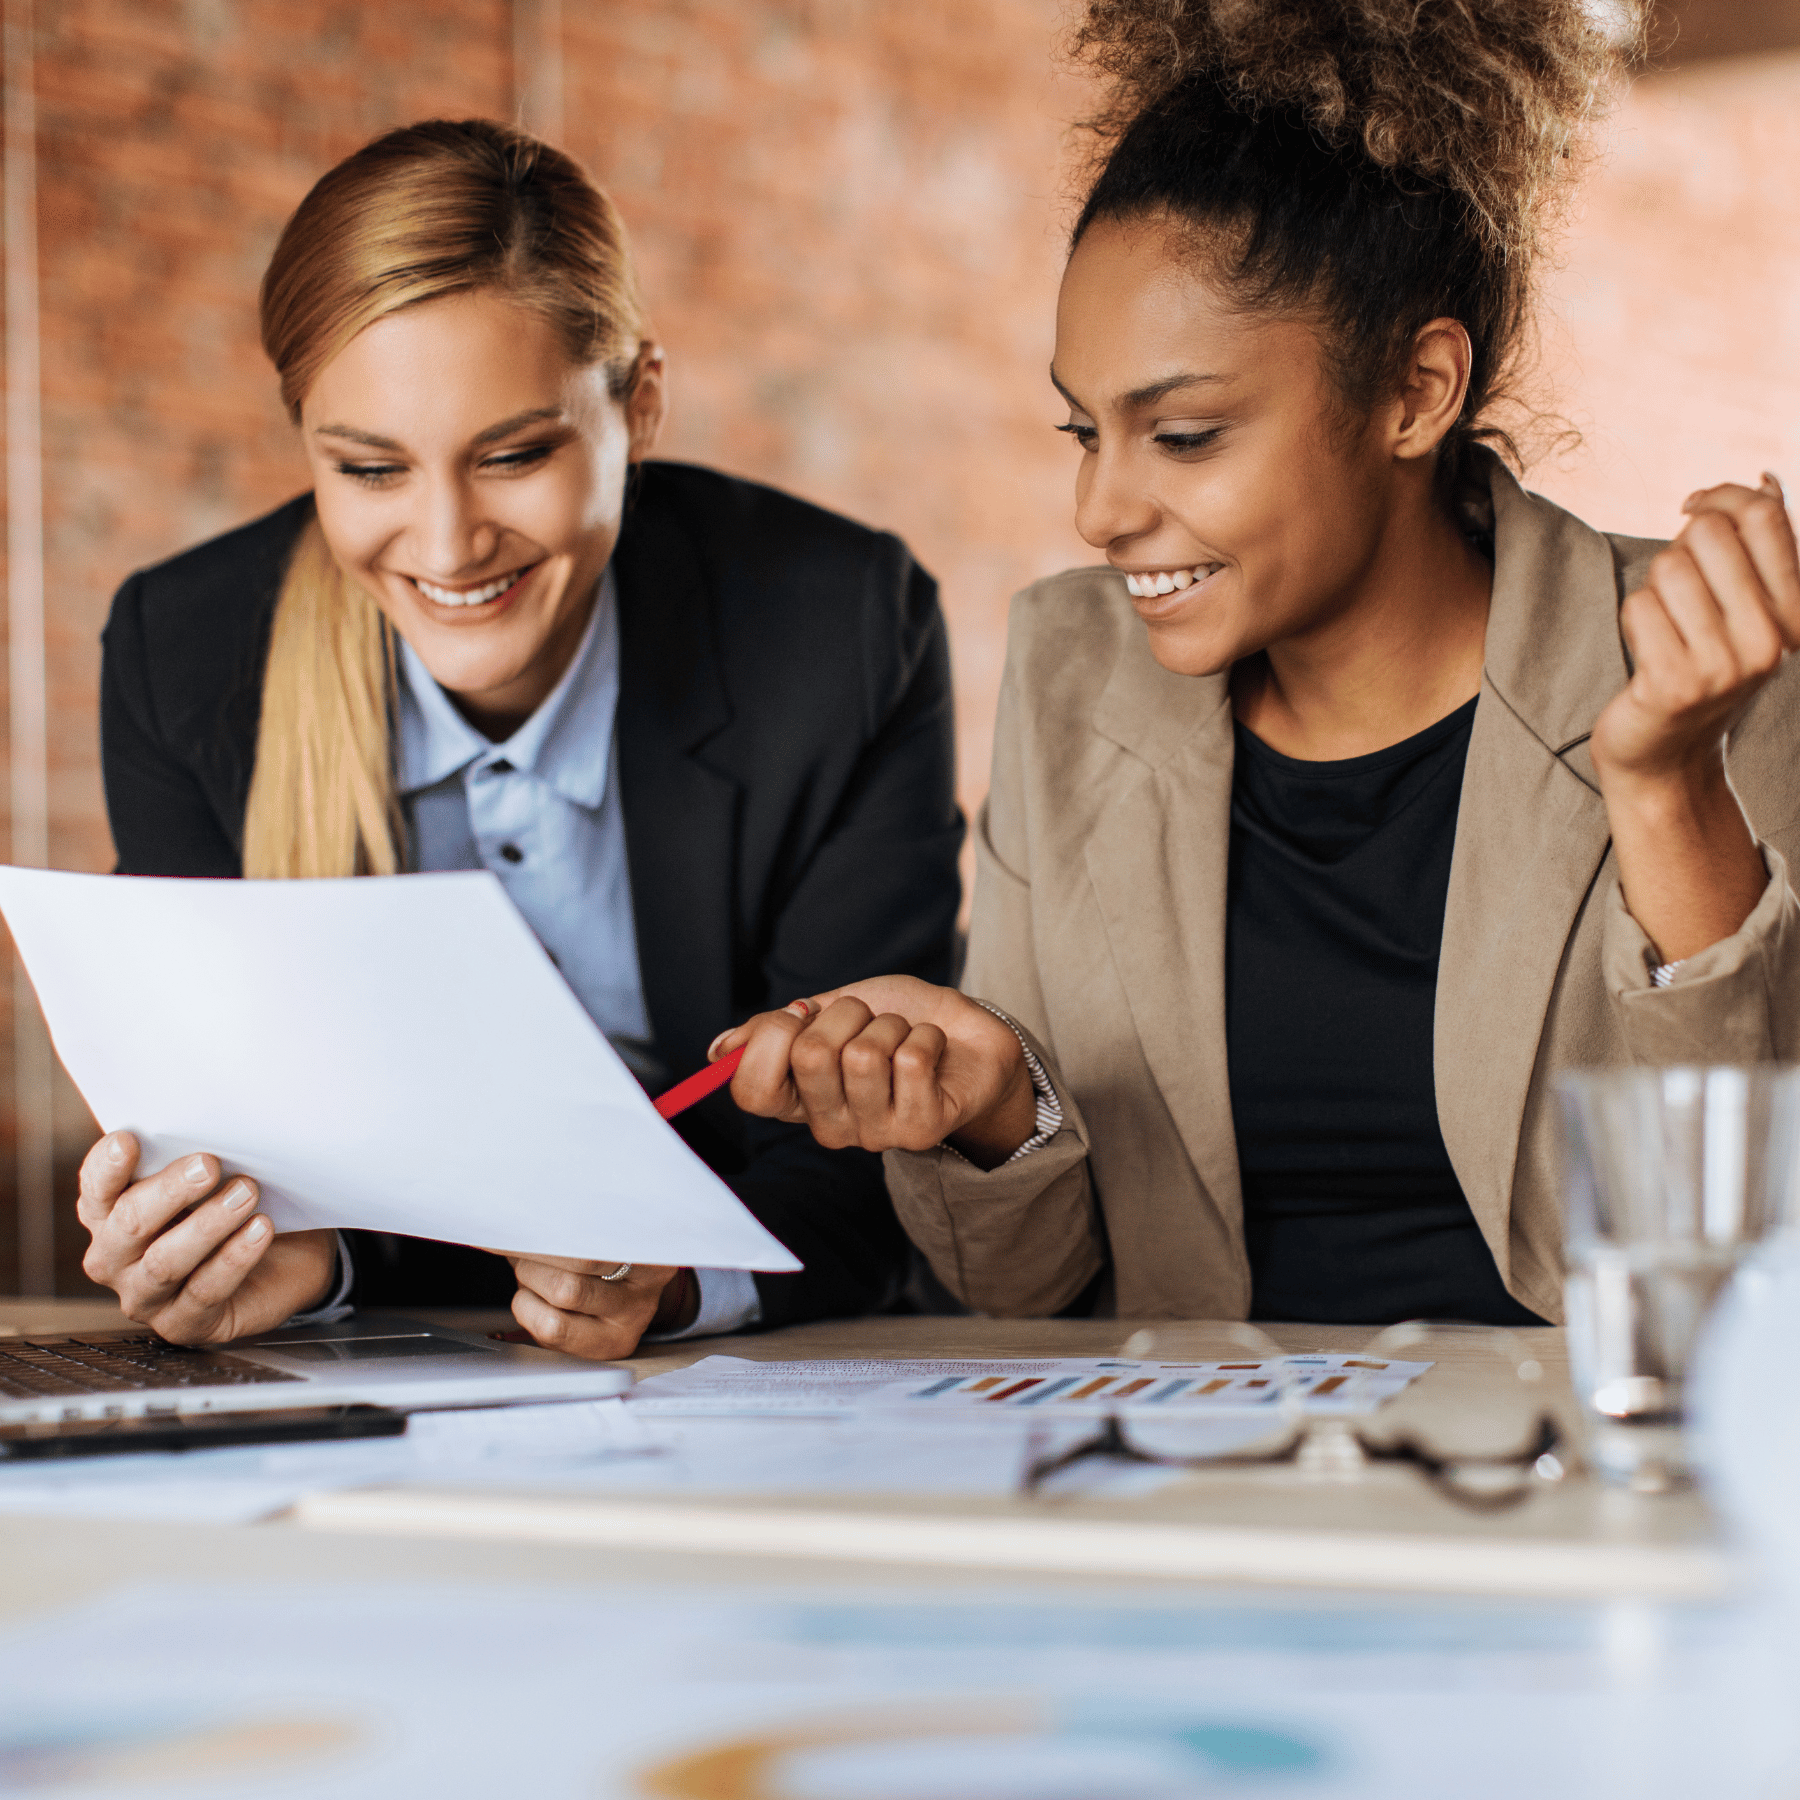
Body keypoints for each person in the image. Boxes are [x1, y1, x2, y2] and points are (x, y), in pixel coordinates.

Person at [719, 0, 1800, 1327]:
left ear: (1416, 391)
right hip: (1201, 1483)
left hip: (1568, 1488)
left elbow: (1743, 1262)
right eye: (1084, 432)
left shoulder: (1706, 668)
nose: (1101, 508)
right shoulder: (1073, 671)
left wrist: (1667, 792)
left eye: (1181, 435)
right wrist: (1002, 1112)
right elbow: (1009, 1290)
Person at [77, 120, 962, 1355]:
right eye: (370, 470)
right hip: (393, 1371)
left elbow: (871, 1158)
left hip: (745, 1370)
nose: (444, 547)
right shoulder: (184, 656)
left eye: (514, 455)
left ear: (638, 406)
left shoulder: (839, 633)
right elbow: (244, 1152)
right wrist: (257, 1255)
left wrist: (680, 1284)